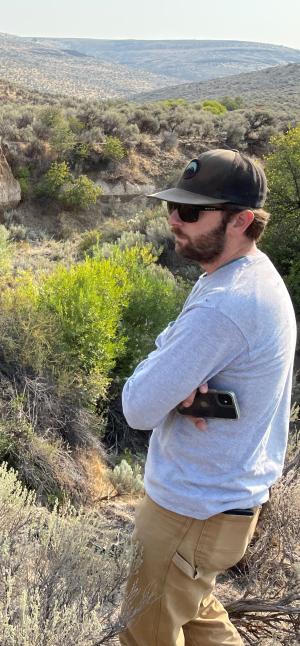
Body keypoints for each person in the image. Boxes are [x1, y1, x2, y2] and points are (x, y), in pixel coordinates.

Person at [119, 148, 297, 646]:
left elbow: (137, 406)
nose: (175, 219)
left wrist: (169, 385)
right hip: (218, 509)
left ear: (241, 220)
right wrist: (173, 378)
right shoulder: (240, 276)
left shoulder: (226, 304)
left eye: (192, 212)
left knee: (143, 637)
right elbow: (166, 361)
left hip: (190, 511)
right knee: (200, 618)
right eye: (172, 207)